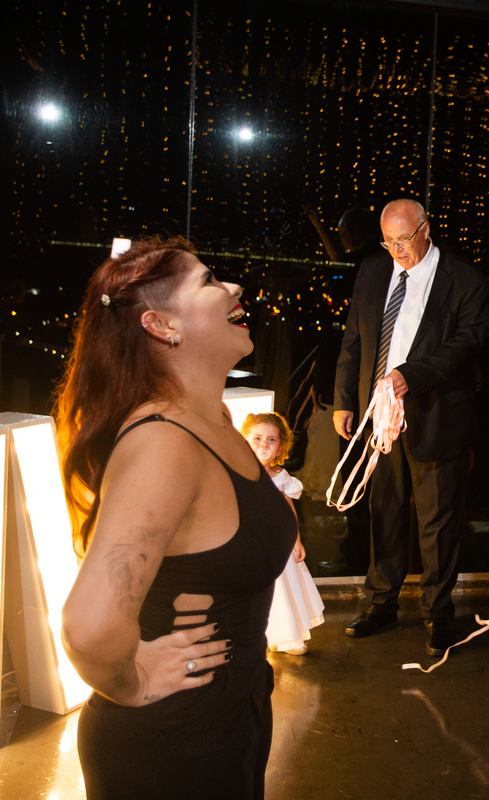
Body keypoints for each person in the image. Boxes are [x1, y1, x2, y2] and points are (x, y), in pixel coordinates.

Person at [55, 237, 296, 798]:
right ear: (162, 326)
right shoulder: (166, 443)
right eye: (211, 282)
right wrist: (131, 683)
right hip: (173, 746)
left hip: (226, 724)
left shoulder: (210, 421)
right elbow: (88, 628)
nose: (234, 288)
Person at [333, 199, 489, 656]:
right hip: (377, 418)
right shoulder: (373, 270)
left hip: (436, 416)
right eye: (389, 241)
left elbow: (467, 345)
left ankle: (439, 617)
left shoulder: (465, 280)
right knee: (384, 513)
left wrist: (411, 376)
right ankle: (381, 603)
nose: (397, 250)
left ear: (426, 228)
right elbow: (354, 339)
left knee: (437, 525)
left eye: (404, 239)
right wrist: (346, 401)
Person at [242, 412, 326, 655]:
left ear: (280, 448)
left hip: (276, 546)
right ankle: (255, 637)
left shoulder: (281, 478)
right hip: (250, 546)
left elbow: (289, 514)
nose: (264, 445)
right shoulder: (238, 474)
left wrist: (296, 540)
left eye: (271, 440)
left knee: (281, 590)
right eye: (256, 438)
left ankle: (287, 636)